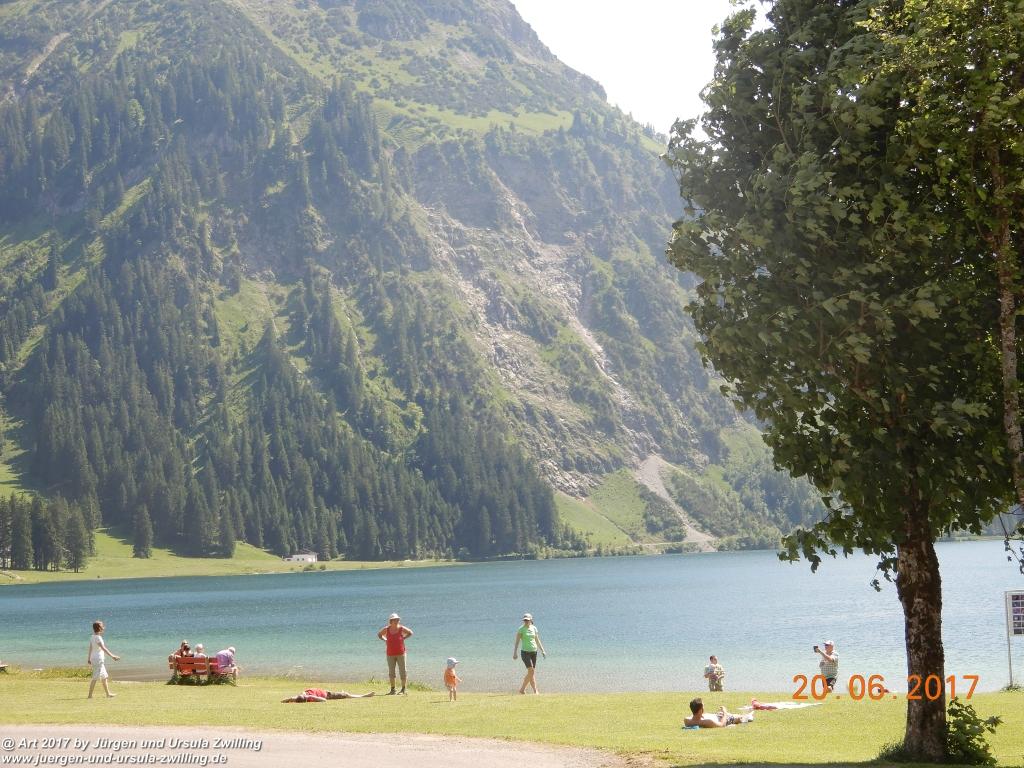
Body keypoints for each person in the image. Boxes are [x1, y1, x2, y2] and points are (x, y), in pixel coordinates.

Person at [377, 613, 413, 695]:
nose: (397, 621)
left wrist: (403, 638)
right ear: (391, 621)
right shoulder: (386, 629)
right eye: (395, 620)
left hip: (401, 653)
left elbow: (410, 632)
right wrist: (385, 639)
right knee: (391, 672)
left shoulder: (401, 628)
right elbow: (379, 635)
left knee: (403, 671)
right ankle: (393, 690)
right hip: (390, 654)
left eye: (397, 619)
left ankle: (403, 689)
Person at [512, 612, 546, 694]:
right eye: (525, 620)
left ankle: (531, 690)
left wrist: (543, 650)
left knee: (531, 672)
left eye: (527, 620)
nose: (526, 621)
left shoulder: (534, 628)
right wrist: (515, 652)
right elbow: (517, 642)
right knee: (531, 671)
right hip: (525, 652)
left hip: (534, 652)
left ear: (531, 620)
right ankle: (528, 689)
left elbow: (537, 640)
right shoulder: (521, 629)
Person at [87, 620, 120, 699]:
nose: (103, 628)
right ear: (99, 628)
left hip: (95, 659)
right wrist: (113, 656)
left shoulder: (92, 636)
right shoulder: (98, 638)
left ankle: (108, 694)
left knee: (104, 676)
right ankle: (90, 695)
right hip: (98, 659)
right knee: (95, 677)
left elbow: (90, 648)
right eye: (102, 626)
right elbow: (103, 648)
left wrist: (88, 658)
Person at [683, 697, 753, 728]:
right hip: (726, 719)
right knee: (741, 717)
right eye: (703, 706)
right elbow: (722, 725)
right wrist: (725, 712)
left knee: (739, 715)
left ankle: (748, 712)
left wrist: (701, 715)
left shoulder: (687, 720)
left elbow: (696, 718)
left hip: (717, 716)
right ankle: (749, 716)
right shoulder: (707, 721)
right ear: (701, 709)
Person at [281, 688, 375, 703]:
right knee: (346, 695)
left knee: (344, 693)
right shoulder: (311, 699)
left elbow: (290, 699)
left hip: (326, 691)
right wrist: (311, 697)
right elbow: (324, 700)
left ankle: (365, 695)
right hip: (328, 695)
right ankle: (364, 696)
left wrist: (283, 701)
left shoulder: (300, 696)